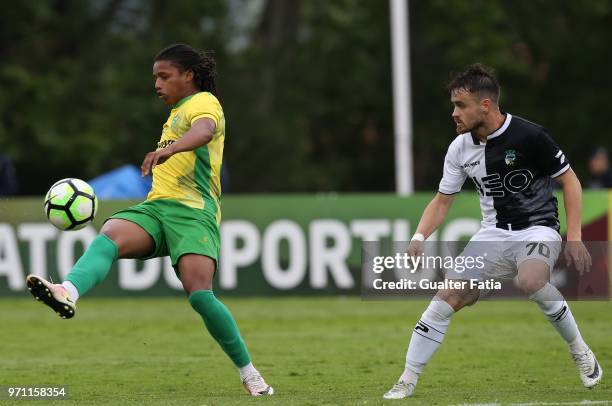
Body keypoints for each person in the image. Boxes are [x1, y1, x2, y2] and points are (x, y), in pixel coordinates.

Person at [26, 43, 273, 396]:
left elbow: (204, 131)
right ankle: (67, 292)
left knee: (200, 296)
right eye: (155, 77)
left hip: (193, 212)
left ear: (189, 76)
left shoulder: (203, 103)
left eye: (164, 76)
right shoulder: (175, 113)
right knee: (109, 235)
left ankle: (251, 375)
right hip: (157, 208)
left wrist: (168, 149)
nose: (156, 84)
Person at [383, 64, 601, 399]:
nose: (454, 113)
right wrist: (417, 237)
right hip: (493, 234)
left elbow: (570, 181)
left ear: (484, 106)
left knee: (530, 281)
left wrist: (574, 237)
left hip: (538, 229)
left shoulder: (530, 136)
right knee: (444, 300)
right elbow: (442, 202)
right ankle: (407, 379)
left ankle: (579, 350)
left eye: (460, 105)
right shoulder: (459, 149)